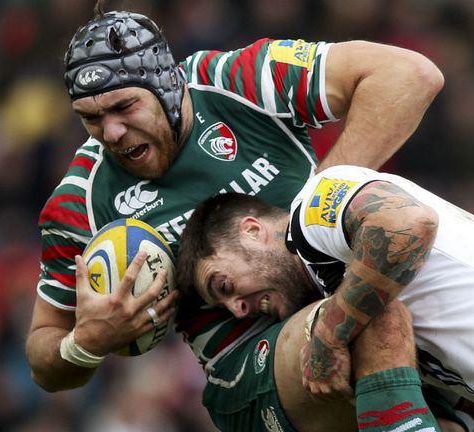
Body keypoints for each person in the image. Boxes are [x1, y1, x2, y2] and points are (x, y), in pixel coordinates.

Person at [24, 6, 446, 429]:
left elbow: (409, 76)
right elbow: (43, 354)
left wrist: (318, 207)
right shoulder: (81, 200)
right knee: (375, 318)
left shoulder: (238, 81)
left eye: (124, 106)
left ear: (169, 84)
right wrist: (85, 344)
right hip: (245, 368)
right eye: (91, 118)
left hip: (335, 299)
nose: (111, 132)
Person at [176, 165, 474, 431]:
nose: (238, 308)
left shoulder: (313, 206)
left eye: (224, 285)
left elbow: (408, 223)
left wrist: (328, 333)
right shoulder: (352, 286)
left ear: (252, 230)